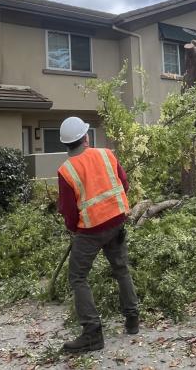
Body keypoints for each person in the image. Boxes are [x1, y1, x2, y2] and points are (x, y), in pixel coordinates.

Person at [57, 117, 139, 354]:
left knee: (78, 277)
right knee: (121, 269)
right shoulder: (106, 154)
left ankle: (92, 333)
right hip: (116, 222)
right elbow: (124, 185)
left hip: (91, 230)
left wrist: (73, 229)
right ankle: (132, 319)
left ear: (66, 144)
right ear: (85, 137)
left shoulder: (66, 170)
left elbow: (69, 212)